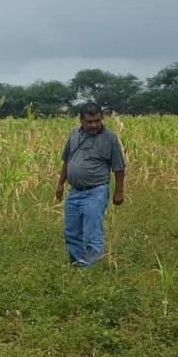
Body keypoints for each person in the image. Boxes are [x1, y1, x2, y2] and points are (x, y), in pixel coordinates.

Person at [55, 102, 126, 267]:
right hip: (74, 192)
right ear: (81, 120)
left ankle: (93, 267)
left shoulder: (109, 138)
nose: (94, 125)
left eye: (97, 120)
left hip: (96, 191)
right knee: (71, 232)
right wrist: (60, 183)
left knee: (91, 232)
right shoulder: (74, 134)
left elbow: (119, 167)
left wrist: (119, 191)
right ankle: (79, 265)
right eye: (89, 121)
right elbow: (67, 160)